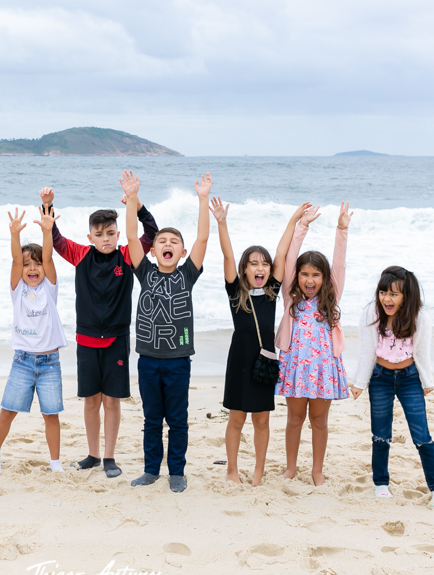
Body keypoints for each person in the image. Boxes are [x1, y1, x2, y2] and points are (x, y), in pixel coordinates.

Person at [41, 172, 159, 478]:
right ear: (90, 237)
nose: (105, 239)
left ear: (118, 235)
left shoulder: (127, 257)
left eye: (110, 233)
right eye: (99, 234)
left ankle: (109, 457)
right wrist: (48, 206)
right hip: (87, 339)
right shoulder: (81, 255)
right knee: (91, 400)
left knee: (112, 401)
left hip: (117, 339)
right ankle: (93, 454)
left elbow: (152, 233)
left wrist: (136, 203)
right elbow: (56, 240)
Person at [210, 198, 308, 485]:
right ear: (244, 270)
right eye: (253, 264)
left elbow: (281, 252)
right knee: (236, 419)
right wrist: (221, 223)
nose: (260, 268)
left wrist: (294, 219)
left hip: (264, 362)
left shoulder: (271, 292)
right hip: (239, 361)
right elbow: (228, 256)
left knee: (262, 420)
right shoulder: (235, 292)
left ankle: (258, 471)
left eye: (264, 264)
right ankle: (232, 470)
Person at [126, 173, 211, 493]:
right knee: (151, 419)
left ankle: (177, 472)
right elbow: (132, 236)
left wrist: (203, 199)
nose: (167, 244)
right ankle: (151, 470)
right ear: (152, 251)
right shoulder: (145, 272)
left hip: (178, 360)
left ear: (183, 252)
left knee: (177, 420)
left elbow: (203, 239)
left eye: (174, 241)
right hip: (148, 359)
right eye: (162, 241)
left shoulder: (187, 275)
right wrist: (131, 199)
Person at [349, 267, 434, 507]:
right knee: (380, 434)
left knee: (421, 435)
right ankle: (381, 483)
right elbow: (366, 350)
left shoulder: (419, 317)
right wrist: (360, 382)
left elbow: (422, 351)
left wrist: (427, 380)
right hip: (380, 378)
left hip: (409, 378)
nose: (387, 299)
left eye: (394, 294)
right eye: (383, 293)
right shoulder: (371, 313)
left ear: (406, 296)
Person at [276, 202, 353, 486]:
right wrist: (302, 226)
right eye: (305, 274)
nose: (310, 280)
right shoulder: (290, 297)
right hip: (295, 367)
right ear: (297, 276)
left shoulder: (331, 298)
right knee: (294, 419)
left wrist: (341, 230)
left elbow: (339, 263)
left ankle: (317, 471)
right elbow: (288, 259)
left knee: (319, 421)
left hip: (323, 369)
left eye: (316, 275)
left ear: (325, 278)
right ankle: (291, 467)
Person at [0, 206, 68, 473]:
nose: (32, 268)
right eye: (27, 264)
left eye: (36, 264)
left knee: (51, 415)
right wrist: (14, 235)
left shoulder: (49, 287)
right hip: (22, 361)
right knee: (7, 411)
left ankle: (55, 463)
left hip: (50, 363)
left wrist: (47, 231)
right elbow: (15, 260)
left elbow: (49, 258)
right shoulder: (18, 289)